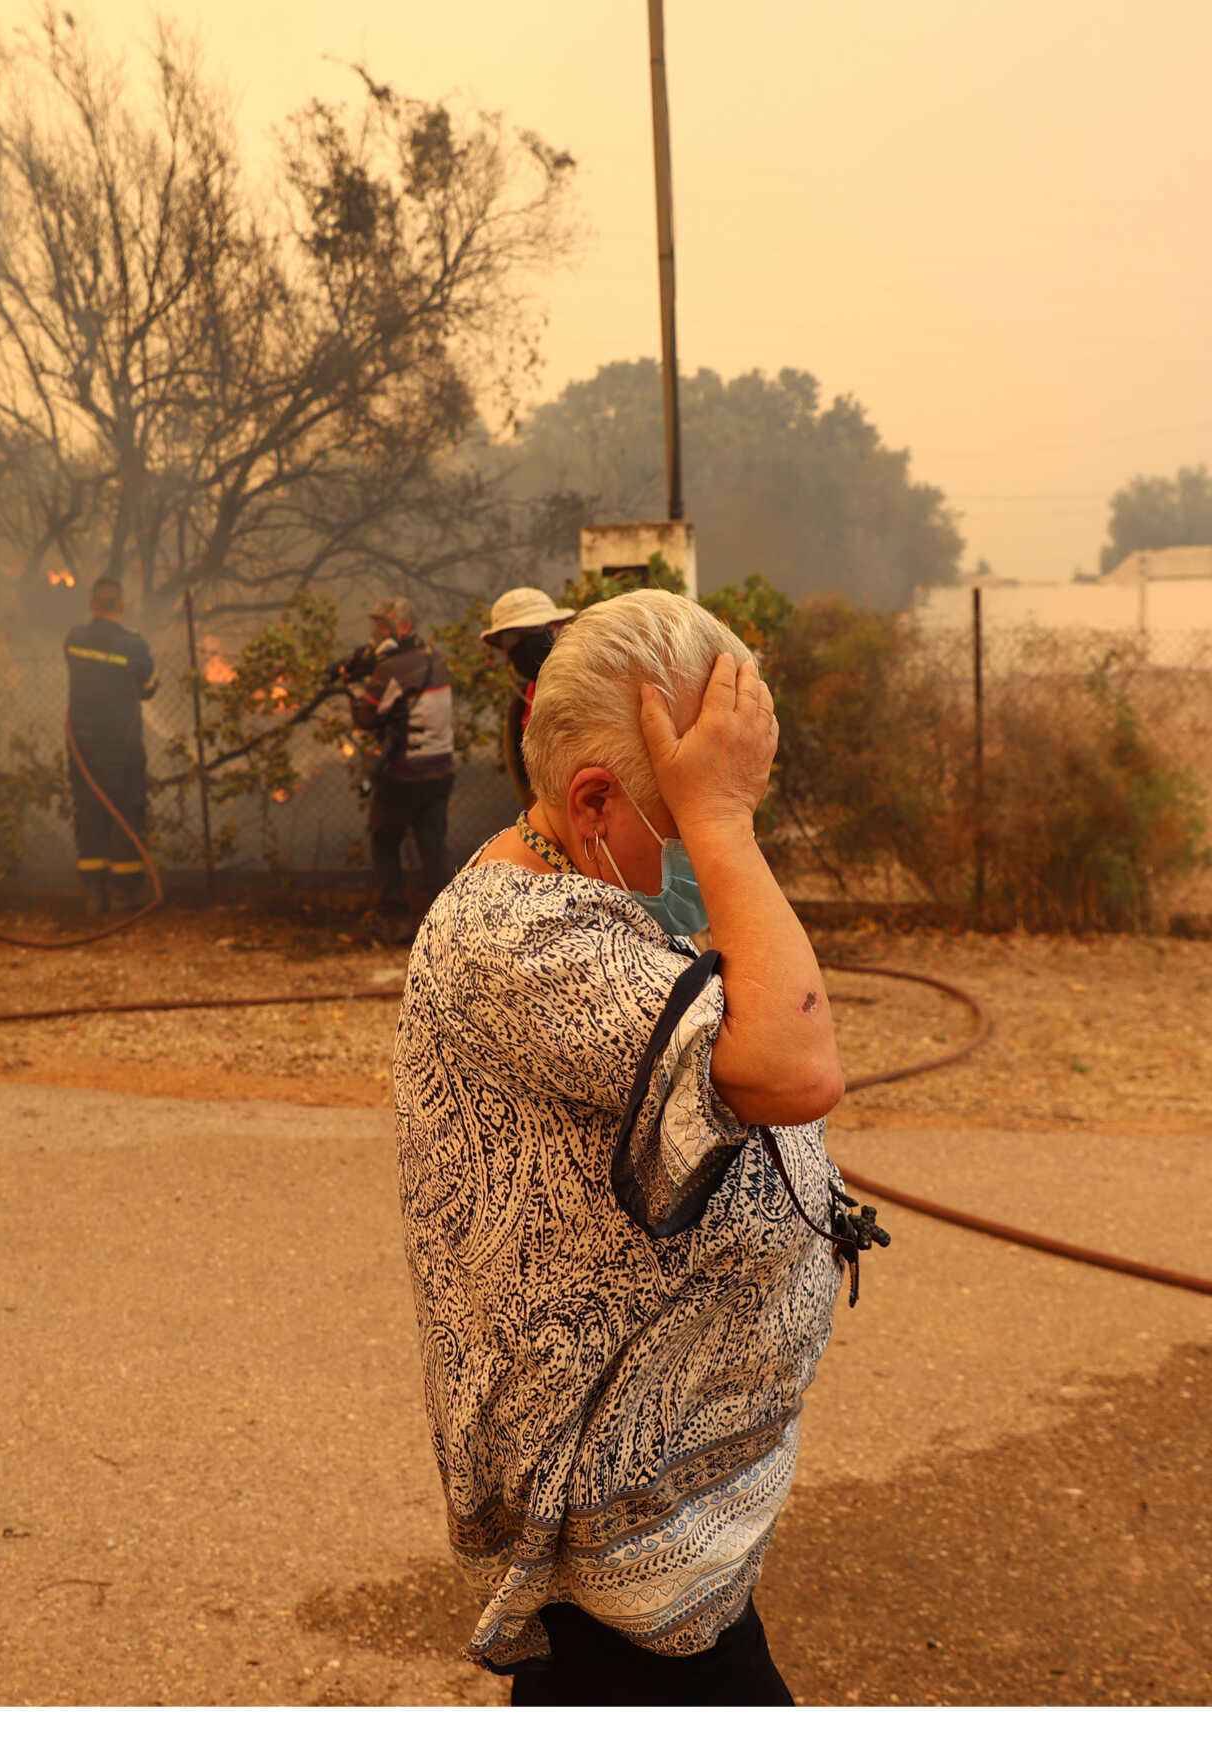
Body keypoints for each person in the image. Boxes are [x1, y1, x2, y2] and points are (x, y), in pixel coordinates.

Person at [391, 589, 869, 1705]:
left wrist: (705, 815)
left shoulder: (584, 889)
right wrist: (725, 824)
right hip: (617, 1529)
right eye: (689, 808)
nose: (713, 836)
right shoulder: (521, 939)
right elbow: (794, 1073)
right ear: (596, 799)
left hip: (659, 1520)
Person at [350, 596, 456, 924]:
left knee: (384, 840)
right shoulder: (435, 659)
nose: (379, 633)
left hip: (404, 776)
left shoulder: (389, 669)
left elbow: (365, 719)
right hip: (441, 772)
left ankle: (394, 920)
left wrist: (351, 686)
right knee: (433, 849)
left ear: (404, 627)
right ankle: (448, 925)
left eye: (384, 626)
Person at [61, 576, 158, 915]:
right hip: (123, 747)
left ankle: (94, 895)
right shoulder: (134, 646)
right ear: (122, 606)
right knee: (127, 813)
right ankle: (125, 894)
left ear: (91, 604)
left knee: (89, 813)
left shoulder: (73, 641)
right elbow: (150, 687)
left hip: (83, 748)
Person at [479, 586, 575, 807]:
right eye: (508, 640)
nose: (513, 647)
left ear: (554, 630)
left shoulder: (585, 688)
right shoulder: (524, 699)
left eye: (521, 635)